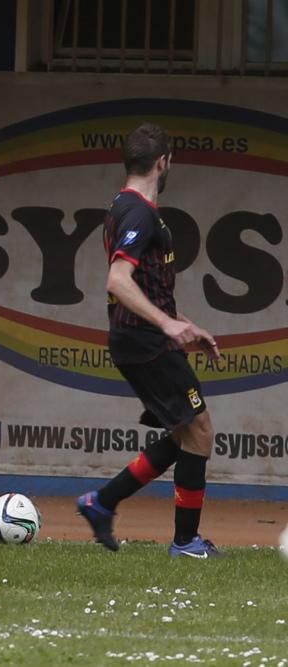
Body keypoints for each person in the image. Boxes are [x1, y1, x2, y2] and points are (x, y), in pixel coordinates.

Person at [77, 122, 222, 558]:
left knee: (186, 432)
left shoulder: (125, 207)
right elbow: (119, 281)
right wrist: (166, 324)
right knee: (199, 430)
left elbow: (144, 284)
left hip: (141, 336)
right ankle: (186, 542)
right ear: (163, 162)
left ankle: (102, 502)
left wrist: (183, 323)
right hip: (142, 339)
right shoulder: (138, 210)